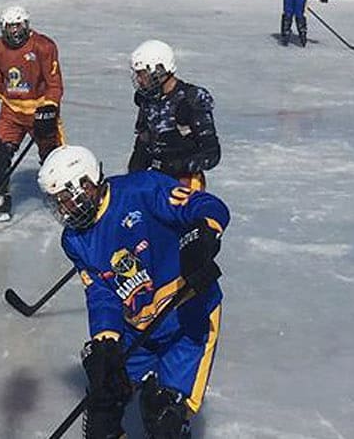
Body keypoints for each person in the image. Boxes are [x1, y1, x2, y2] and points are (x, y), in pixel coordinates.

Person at [38, 145, 229, 439]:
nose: (64, 210)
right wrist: (106, 341)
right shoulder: (74, 240)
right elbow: (101, 294)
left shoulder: (142, 190)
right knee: (104, 401)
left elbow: (206, 205)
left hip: (187, 320)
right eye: (58, 204)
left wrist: (202, 235)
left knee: (164, 416)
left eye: (67, 200)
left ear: (87, 184)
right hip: (137, 328)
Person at [0, 5, 64, 222]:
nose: (14, 31)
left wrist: (49, 108)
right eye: (10, 27)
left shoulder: (44, 46)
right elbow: (1, 79)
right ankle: (1, 199)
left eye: (18, 25)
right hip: (12, 111)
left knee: (53, 157)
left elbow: (55, 85)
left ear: (26, 25)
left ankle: (64, 199)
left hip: (39, 112)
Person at [127, 40, 221, 189]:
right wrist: (133, 178)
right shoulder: (147, 99)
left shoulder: (190, 99)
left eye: (142, 74)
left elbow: (211, 154)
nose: (139, 80)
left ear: (159, 69)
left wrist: (176, 166)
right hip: (155, 181)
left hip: (184, 183)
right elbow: (143, 142)